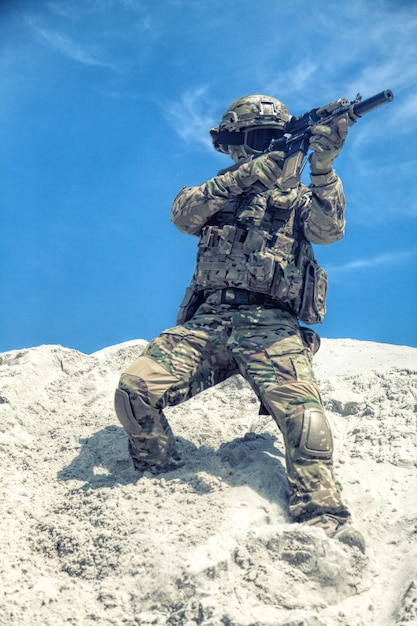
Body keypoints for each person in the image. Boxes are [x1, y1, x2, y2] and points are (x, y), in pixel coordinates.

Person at [114, 94, 365, 551]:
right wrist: (247, 176)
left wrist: (324, 167)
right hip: (207, 323)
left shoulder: (300, 200)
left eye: (274, 137)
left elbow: (330, 231)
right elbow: (182, 215)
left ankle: (322, 517)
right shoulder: (213, 194)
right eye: (256, 139)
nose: (266, 146)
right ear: (233, 145)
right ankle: (161, 475)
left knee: (306, 423)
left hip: (272, 327)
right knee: (133, 395)